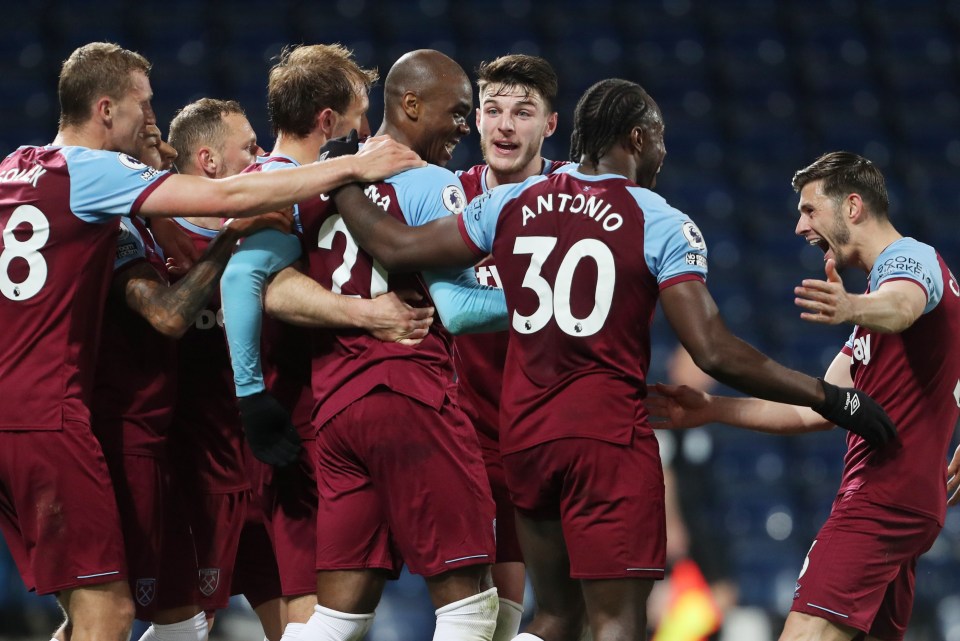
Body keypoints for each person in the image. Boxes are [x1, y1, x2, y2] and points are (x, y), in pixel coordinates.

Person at [330, 79, 897, 641]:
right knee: (616, 623)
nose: (664, 153)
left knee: (554, 617)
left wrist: (342, 174)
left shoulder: (508, 201)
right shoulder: (661, 220)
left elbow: (395, 245)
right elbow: (714, 351)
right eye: (660, 140)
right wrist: (832, 397)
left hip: (525, 440)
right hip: (607, 441)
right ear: (637, 137)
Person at [0, 40, 422, 641]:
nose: (152, 118)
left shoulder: (15, 166)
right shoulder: (90, 173)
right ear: (104, 109)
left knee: (104, 613)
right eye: (142, 104)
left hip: (27, 416)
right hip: (62, 418)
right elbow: (227, 200)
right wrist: (353, 165)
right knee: (110, 614)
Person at [221, 47, 509, 641]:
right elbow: (456, 309)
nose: (465, 126)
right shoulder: (432, 182)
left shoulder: (311, 187)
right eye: (457, 112)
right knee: (471, 607)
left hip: (335, 414)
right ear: (411, 105)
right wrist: (538, 303)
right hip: (411, 395)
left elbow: (251, 279)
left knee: (335, 619)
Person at [650, 151, 960, 641]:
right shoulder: (875, 312)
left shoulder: (908, 260)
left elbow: (903, 305)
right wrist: (712, 409)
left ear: (853, 207)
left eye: (810, 210)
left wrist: (852, 306)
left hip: (881, 497)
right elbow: (815, 408)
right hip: (908, 502)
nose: (799, 226)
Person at [166, 95, 432, 640]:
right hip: (200, 472)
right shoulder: (160, 240)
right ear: (210, 162)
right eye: (248, 148)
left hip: (265, 457)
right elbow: (190, 307)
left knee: (299, 619)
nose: (260, 154)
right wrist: (366, 313)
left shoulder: (276, 225)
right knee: (177, 627)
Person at [453, 53, 563, 641]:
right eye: (493, 110)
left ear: (549, 124)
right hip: (466, 436)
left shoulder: (579, 202)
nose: (504, 126)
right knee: (475, 608)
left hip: (546, 433)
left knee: (543, 611)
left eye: (522, 113)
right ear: (474, 119)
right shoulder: (448, 196)